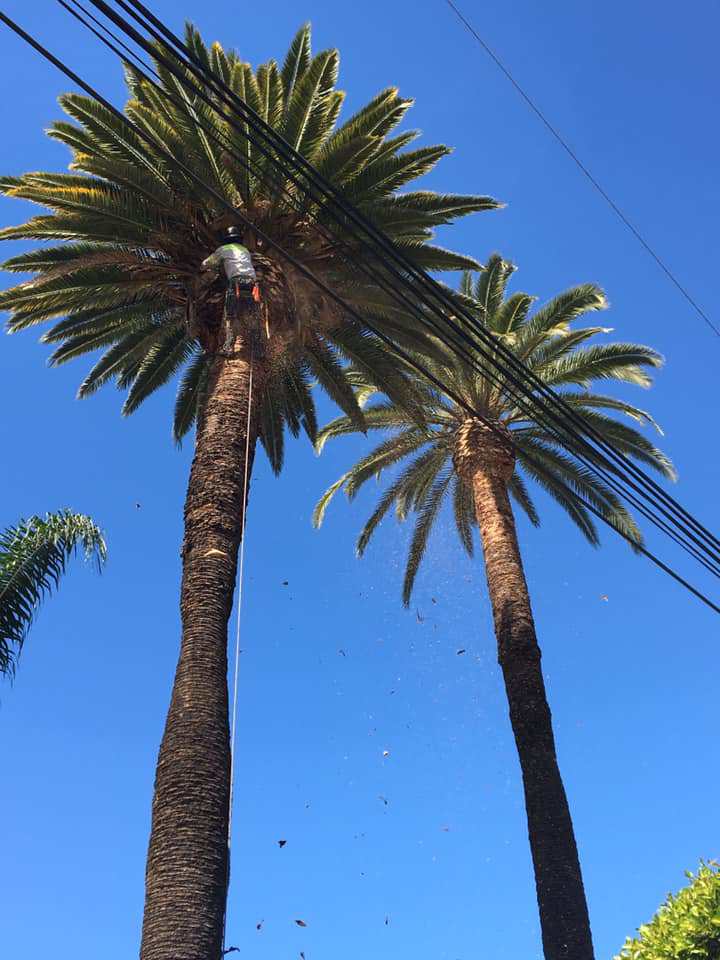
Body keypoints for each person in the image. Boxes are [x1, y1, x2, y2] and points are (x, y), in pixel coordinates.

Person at [201, 226, 260, 308]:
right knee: (251, 306)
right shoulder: (245, 250)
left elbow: (209, 262)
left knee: (231, 308)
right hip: (252, 281)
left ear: (227, 239)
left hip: (236, 280)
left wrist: (202, 267)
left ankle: (230, 316)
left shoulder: (223, 249)